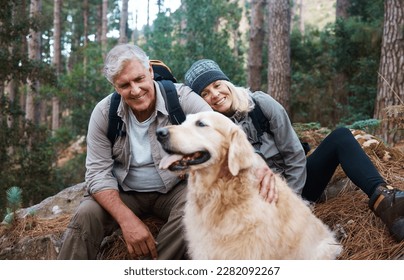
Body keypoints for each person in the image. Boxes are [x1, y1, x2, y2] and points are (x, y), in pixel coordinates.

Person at [57, 44, 275, 260]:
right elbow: (97, 174)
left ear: (150, 71)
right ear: (115, 86)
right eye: (125, 85)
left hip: (174, 189)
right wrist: (127, 220)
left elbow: (224, 133)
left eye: (139, 79)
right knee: (86, 214)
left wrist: (258, 163)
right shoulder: (104, 113)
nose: (135, 90)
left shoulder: (181, 99)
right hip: (125, 191)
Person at [184, 59, 404, 242]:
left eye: (217, 84)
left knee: (341, 137)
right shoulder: (211, 133)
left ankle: (384, 200)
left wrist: (296, 200)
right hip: (263, 202)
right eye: (205, 93)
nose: (215, 94)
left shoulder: (260, 103)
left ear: (227, 83)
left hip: (298, 184)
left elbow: (294, 153)